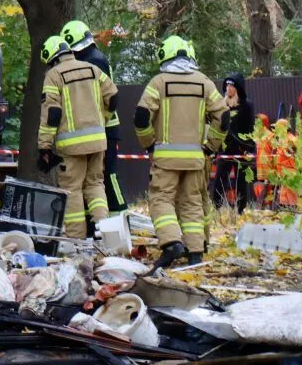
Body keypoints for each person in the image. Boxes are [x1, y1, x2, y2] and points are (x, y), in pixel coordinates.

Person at [135, 35, 228, 269]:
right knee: (192, 203)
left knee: (161, 201)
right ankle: (195, 252)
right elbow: (223, 116)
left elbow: (141, 117)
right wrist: (210, 146)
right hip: (196, 158)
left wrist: (148, 144)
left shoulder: (158, 83)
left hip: (165, 158)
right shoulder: (204, 83)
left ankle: (171, 243)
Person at [38, 35, 118, 239]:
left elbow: (52, 114)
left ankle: (76, 241)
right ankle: (104, 232)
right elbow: (113, 97)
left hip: (71, 146)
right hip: (98, 141)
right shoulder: (92, 69)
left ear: (52, 58)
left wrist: (45, 146)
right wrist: (103, 118)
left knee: (72, 190)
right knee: (95, 185)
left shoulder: (54, 75)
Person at [61, 20, 128, 213]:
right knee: (95, 179)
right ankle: (99, 221)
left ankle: (120, 216)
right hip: (97, 128)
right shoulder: (93, 58)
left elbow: (106, 97)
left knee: (108, 175)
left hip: (104, 128)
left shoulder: (94, 60)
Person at [211, 73, 256, 214]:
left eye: (231, 86)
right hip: (225, 149)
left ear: (238, 88)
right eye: (227, 85)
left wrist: (249, 149)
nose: (228, 88)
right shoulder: (222, 106)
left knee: (241, 181)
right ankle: (216, 208)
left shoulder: (246, 106)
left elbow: (250, 128)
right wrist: (215, 147)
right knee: (219, 179)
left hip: (242, 149)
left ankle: (241, 210)